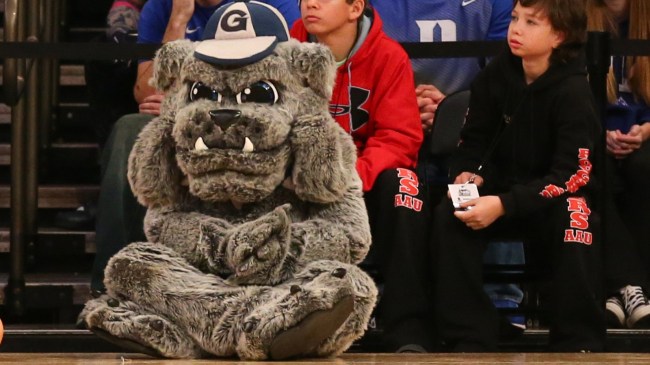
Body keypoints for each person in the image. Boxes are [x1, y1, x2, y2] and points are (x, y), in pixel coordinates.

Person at [89, 0, 299, 293]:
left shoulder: (276, 5)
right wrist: (178, 19)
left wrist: (188, 102)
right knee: (129, 129)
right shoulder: (162, 8)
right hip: (189, 127)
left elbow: (286, 88)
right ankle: (114, 285)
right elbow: (146, 92)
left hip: (251, 122)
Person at [432, 0, 605, 352]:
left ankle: (577, 341)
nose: (516, 29)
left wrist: (506, 205)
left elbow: (573, 174)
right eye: (514, 19)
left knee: (578, 218)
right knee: (449, 213)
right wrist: (467, 173)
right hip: (498, 189)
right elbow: (472, 142)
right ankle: (469, 334)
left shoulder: (573, 90)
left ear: (559, 36)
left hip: (550, 199)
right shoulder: (496, 74)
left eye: (531, 22)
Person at [370, 0, 525, 333]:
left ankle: (501, 299)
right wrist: (403, 105)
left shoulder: (494, 3)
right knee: (386, 179)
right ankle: (381, 294)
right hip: (390, 118)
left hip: (473, 125)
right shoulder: (372, 4)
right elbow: (366, 63)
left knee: (500, 163)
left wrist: (454, 109)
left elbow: (507, 75)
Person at [291, 0, 433, 353]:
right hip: (298, 174)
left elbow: (400, 137)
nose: (310, 2)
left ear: (355, 8)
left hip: (363, 173)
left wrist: (353, 176)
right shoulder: (285, 52)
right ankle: (291, 321)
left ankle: (408, 326)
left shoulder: (389, 56)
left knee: (405, 187)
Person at [586, 0, 650, 329]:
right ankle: (628, 287)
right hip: (592, 133)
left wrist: (647, 130)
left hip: (645, 135)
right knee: (595, 170)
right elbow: (568, 95)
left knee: (643, 168)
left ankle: (624, 291)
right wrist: (601, 132)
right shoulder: (579, 18)